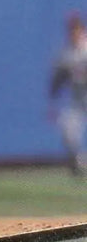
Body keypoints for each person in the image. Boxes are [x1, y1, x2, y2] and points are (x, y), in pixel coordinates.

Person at [48, 13, 87, 176]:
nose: (74, 33)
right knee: (68, 130)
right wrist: (52, 100)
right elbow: (58, 79)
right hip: (77, 101)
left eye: (76, 30)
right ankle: (76, 165)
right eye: (71, 30)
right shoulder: (66, 54)